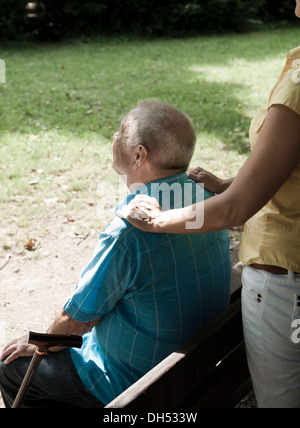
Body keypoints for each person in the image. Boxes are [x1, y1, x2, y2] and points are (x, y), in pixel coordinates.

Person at [118, 3, 300, 408]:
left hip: (285, 285)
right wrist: (225, 183)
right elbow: (285, 167)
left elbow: (233, 212)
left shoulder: (299, 85)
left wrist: (160, 220)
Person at [0, 99, 231, 408]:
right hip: (193, 364)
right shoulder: (205, 195)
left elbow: (76, 318)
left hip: (134, 384)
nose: (114, 136)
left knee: (10, 369)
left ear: (139, 154)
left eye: (121, 131)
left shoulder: (131, 229)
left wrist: (40, 341)